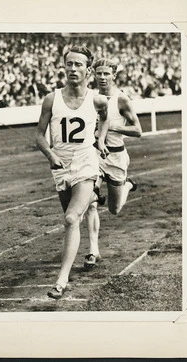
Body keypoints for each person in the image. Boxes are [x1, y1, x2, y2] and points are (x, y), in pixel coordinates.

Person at [35, 46, 109, 299]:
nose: (73, 69)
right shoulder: (51, 99)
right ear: (64, 67)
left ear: (88, 70)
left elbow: (106, 118)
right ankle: (92, 195)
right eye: (70, 64)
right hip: (60, 165)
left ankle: (61, 280)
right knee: (72, 218)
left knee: (70, 218)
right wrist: (51, 154)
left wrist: (100, 140)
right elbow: (38, 135)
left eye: (78, 64)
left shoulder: (97, 99)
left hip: (86, 161)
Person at [84, 58, 142, 268]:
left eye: (106, 74)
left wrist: (112, 128)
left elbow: (138, 131)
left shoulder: (121, 100)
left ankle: (127, 185)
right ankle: (93, 251)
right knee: (90, 201)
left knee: (114, 209)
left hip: (116, 157)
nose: (102, 77)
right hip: (95, 156)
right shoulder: (89, 97)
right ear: (94, 75)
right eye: (99, 73)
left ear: (114, 75)